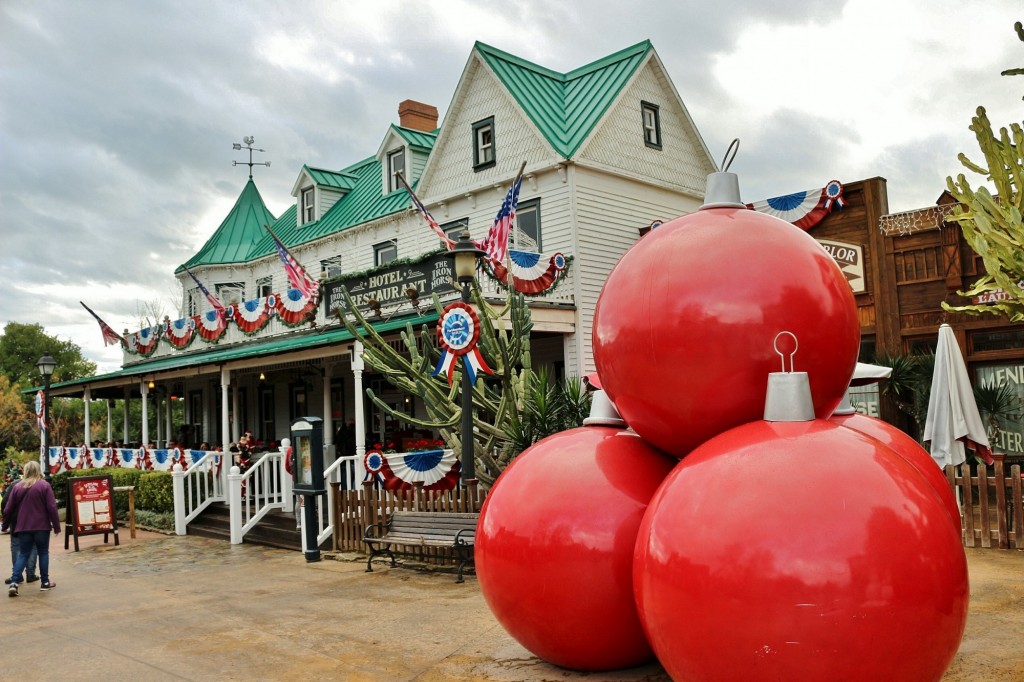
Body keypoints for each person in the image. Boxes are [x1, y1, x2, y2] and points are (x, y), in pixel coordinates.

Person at [3, 461, 60, 596]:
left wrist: (5, 526)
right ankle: (45, 582)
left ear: (26, 471)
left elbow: (8, 509)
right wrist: (56, 526)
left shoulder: (17, 487)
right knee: (43, 553)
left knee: (23, 554)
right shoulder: (44, 485)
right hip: (41, 526)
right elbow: (52, 507)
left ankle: (14, 583)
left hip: (23, 527)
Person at [2, 468, 38, 586]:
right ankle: (31, 574)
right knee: (32, 546)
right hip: (33, 522)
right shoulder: (40, 485)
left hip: (16, 522)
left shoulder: (14, 485)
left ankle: (17, 576)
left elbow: (5, 504)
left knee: (16, 547)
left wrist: (6, 522)